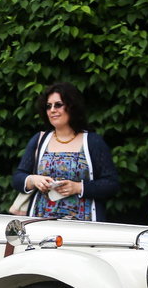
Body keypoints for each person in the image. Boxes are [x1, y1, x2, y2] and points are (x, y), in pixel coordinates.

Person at [12, 83, 120, 221]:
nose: (52, 110)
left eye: (58, 105)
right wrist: (34, 180)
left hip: (83, 224)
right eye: (48, 106)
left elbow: (112, 184)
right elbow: (17, 177)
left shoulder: (92, 141)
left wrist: (78, 187)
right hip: (40, 221)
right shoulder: (40, 139)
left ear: (72, 107)